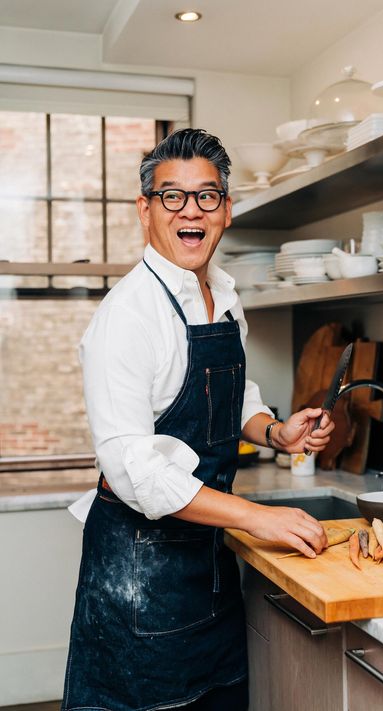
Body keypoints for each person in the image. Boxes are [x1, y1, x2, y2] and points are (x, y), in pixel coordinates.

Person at [62, 128, 335, 711]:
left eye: (207, 196)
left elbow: (234, 395)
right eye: (172, 196)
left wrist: (276, 432)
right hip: (139, 576)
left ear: (226, 210)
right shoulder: (127, 317)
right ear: (146, 209)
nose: (191, 210)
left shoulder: (223, 296)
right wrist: (256, 517)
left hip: (206, 564)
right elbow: (134, 469)